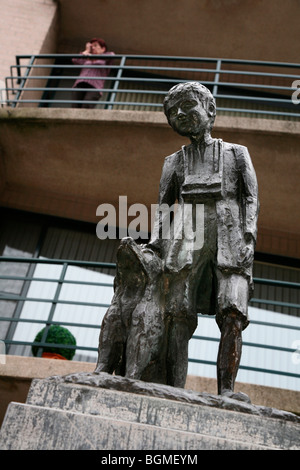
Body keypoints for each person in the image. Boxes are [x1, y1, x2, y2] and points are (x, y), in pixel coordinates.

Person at [146, 82, 259, 398]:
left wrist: (249, 235)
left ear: (210, 110)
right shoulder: (174, 162)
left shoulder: (237, 154)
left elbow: (251, 197)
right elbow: (164, 207)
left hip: (230, 236)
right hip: (186, 236)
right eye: (173, 112)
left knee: (232, 311)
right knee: (177, 313)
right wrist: (156, 245)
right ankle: (172, 388)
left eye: (187, 106)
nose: (180, 114)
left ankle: (227, 390)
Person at [72, 38, 114, 108]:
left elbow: (112, 55)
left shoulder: (105, 61)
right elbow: (75, 60)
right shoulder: (87, 59)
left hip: (95, 87)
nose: (93, 48)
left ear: (103, 49)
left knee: (86, 106)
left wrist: (95, 56)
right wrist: (86, 51)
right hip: (80, 84)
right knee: (75, 107)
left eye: (95, 46)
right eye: (92, 46)